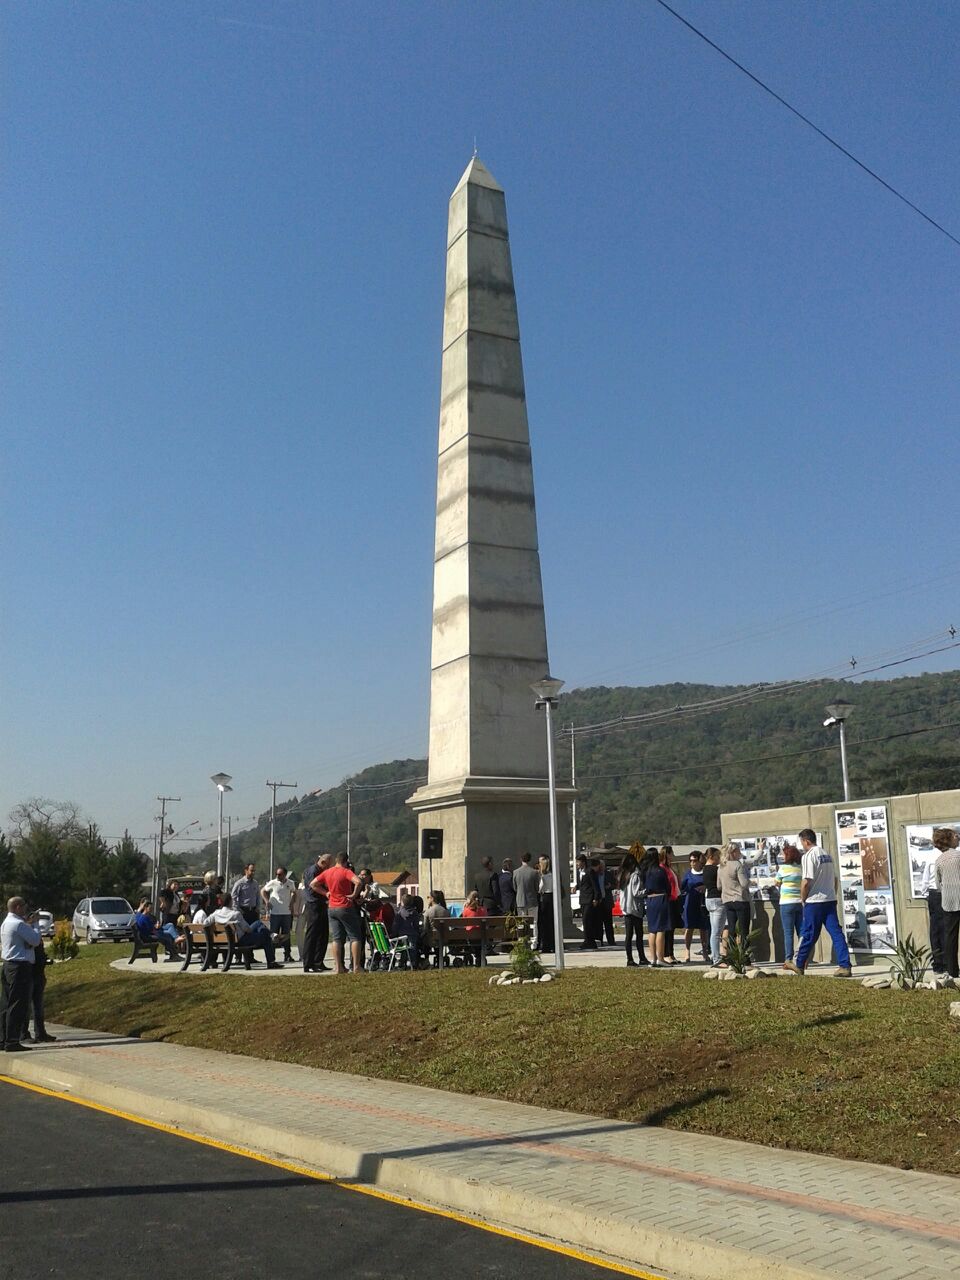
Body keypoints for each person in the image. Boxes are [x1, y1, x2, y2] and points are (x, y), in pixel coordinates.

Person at [786, 830, 852, 977]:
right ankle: (845, 965)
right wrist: (832, 894)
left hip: (814, 901)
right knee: (836, 933)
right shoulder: (827, 854)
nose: (802, 846)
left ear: (806, 841)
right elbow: (835, 879)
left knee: (808, 933)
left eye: (801, 842)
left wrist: (803, 898)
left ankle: (799, 964)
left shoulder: (809, 856)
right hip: (829, 900)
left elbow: (806, 882)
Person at [311, 852, 364, 976]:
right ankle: (356, 967)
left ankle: (338, 967)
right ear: (346, 861)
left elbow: (313, 884)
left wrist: (326, 893)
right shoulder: (346, 871)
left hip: (332, 907)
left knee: (337, 938)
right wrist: (354, 895)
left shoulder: (327, 872)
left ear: (336, 860)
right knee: (355, 937)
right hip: (345, 906)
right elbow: (359, 882)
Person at [1, 898, 40, 1052]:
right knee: (17, 1005)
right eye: (24, 906)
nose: (25, 909)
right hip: (19, 967)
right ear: (17, 907)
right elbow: (35, 940)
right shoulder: (18, 924)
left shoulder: (6, 922)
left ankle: (3, 1039)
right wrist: (35, 924)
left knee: (6, 1004)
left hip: (8, 965)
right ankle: (12, 1041)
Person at [209, 894, 283, 968]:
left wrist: (214, 925)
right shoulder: (235, 914)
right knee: (265, 935)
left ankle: (272, 935)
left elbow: (205, 923)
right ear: (230, 902)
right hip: (240, 940)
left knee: (258, 923)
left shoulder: (216, 913)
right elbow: (247, 929)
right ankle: (271, 961)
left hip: (223, 940)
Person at [921, 831, 951, 975]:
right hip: (941, 893)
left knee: (937, 930)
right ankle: (943, 964)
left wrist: (926, 893)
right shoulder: (941, 856)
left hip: (936, 894)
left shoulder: (931, 856)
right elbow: (927, 878)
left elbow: (925, 879)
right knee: (943, 929)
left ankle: (940, 964)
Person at [933, 827, 960, 978]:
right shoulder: (958, 856)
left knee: (950, 938)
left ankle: (953, 971)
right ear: (949, 839)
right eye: (955, 836)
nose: (958, 837)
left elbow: (938, 884)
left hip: (948, 902)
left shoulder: (939, 860)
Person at [300, 853, 332, 973]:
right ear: (323, 862)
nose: (329, 867)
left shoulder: (322, 871)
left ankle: (318, 961)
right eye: (328, 865)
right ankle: (308, 963)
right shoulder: (312, 871)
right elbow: (313, 887)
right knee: (312, 935)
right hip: (313, 905)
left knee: (323, 934)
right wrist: (326, 893)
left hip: (322, 904)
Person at [718, 843, 751, 956]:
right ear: (733, 852)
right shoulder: (737, 865)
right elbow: (744, 883)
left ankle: (732, 957)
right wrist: (751, 881)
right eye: (738, 851)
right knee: (743, 931)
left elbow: (719, 886)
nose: (740, 853)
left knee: (731, 929)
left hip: (727, 900)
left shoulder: (721, 866)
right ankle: (745, 958)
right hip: (740, 899)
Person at [23, 932, 56, 1044]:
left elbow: (39, 949)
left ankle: (40, 1032)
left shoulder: (35, 933)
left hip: (39, 971)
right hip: (28, 971)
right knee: (25, 1005)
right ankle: (23, 1033)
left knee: (38, 1005)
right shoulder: (24, 930)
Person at [775, 844, 804, 967]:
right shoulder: (801, 868)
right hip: (799, 903)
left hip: (786, 903)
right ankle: (802, 958)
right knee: (801, 932)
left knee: (788, 933)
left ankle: (788, 959)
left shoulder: (783, 868)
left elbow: (776, 882)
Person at [618, 851, 648, 967]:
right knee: (639, 935)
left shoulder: (622, 876)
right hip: (635, 908)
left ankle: (629, 959)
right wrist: (647, 890)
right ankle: (642, 957)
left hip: (626, 908)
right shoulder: (635, 875)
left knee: (628, 935)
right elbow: (636, 892)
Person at [642, 849, 670, 967]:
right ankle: (660, 958)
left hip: (649, 899)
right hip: (660, 898)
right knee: (661, 929)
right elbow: (667, 886)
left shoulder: (645, 871)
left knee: (652, 929)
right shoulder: (660, 870)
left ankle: (653, 958)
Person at [680, 850, 709, 963]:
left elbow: (711, 883)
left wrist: (704, 887)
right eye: (690, 861)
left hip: (702, 902)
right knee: (689, 927)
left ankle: (705, 951)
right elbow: (682, 888)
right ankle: (687, 951)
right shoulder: (688, 874)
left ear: (700, 860)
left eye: (694, 860)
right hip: (690, 902)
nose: (692, 863)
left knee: (703, 928)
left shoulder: (705, 872)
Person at [261, 866, 295, 963]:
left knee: (286, 934)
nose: (277, 876)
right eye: (276, 874)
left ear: (285, 874)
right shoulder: (273, 883)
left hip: (286, 912)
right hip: (275, 913)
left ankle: (287, 954)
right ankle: (272, 956)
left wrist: (292, 902)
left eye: (279, 874)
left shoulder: (290, 883)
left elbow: (294, 892)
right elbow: (263, 891)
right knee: (274, 934)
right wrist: (267, 901)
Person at [701, 847, 724, 966]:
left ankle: (716, 956)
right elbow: (720, 885)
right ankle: (716, 958)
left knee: (714, 930)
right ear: (711, 857)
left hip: (709, 899)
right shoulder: (715, 869)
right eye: (717, 856)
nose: (719, 858)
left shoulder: (705, 869)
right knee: (716, 931)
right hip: (717, 899)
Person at [659, 847, 680, 962]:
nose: (672, 855)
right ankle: (666, 954)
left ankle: (671, 953)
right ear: (667, 854)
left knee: (672, 928)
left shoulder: (669, 867)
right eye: (671, 853)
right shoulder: (662, 868)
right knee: (668, 928)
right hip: (668, 900)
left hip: (674, 899)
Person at [393, 890, 422, 968]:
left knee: (403, 949)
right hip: (412, 934)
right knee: (413, 948)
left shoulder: (399, 913)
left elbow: (396, 924)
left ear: (402, 902)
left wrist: (394, 932)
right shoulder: (414, 913)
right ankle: (413, 962)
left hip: (402, 934)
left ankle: (402, 962)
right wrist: (417, 932)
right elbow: (416, 925)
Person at [576, 854, 599, 949]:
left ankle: (588, 940)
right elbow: (582, 884)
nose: (577, 864)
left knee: (586, 920)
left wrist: (596, 898)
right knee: (585, 921)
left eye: (578, 862)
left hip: (590, 899)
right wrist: (576, 887)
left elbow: (595, 885)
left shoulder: (590, 871)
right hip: (583, 899)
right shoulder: (579, 872)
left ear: (583, 862)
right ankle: (591, 941)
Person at [423, 890, 450, 968]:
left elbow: (425, 928)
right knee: (436, 938)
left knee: (424, 938)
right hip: (445, 938)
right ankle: (439, 959)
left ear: (432, 899)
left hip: (432, 940)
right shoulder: (446, 911)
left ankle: (426, 959)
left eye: (428, 897)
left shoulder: (428, 912)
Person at [461, 890, 488, 965]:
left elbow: (463, 922)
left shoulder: (466, 910)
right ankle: (479, 957)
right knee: (478, 937)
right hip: (481, 935)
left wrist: (464, 907)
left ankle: (474, 956)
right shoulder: (483, 910)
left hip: (470, 936)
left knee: (470, 935)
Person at [536, 856, 556, 953]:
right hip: (552, 897)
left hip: (544, 898)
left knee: (544, 923)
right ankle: (552, 943)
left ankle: (545, 945)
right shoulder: (553, 874)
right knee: (551, 922)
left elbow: (540, 887)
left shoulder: (543, 876)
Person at [512, 853, 540, 924]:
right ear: (530, 859)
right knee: (534, 922)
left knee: (521, 923)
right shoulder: (534, 872)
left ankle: (522, 935)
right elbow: (537, 888)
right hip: (532, 900)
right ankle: (534, 935)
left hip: (520, 900)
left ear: (521, 859)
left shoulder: (515, 872)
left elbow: (515, 888)